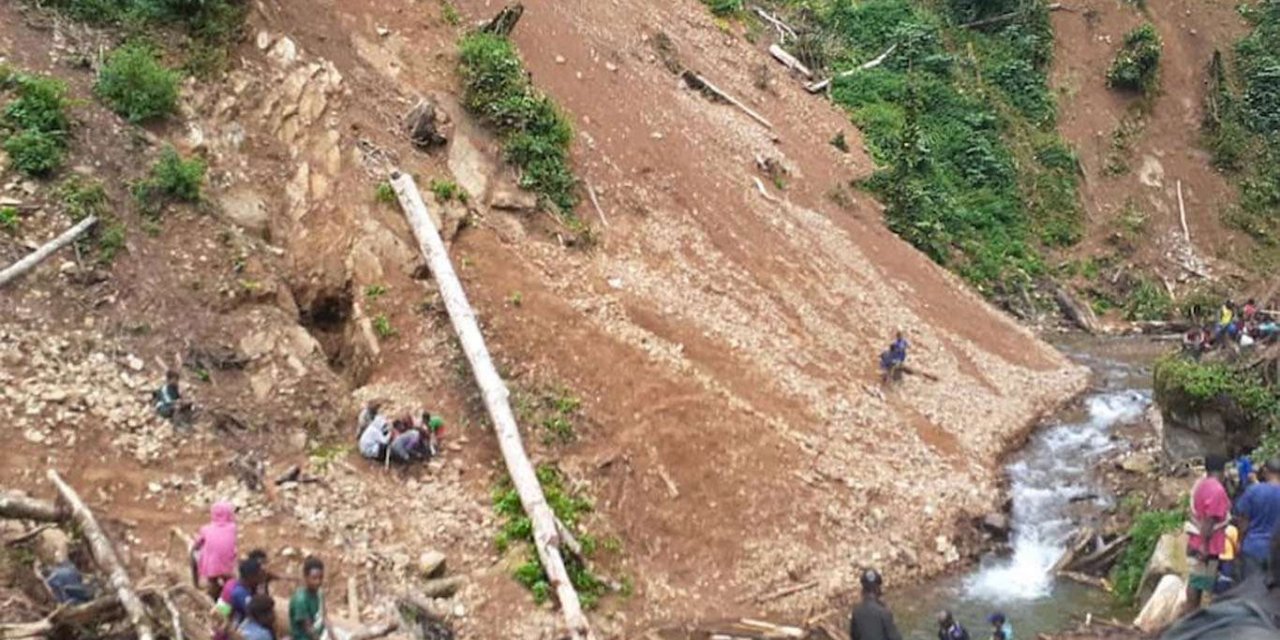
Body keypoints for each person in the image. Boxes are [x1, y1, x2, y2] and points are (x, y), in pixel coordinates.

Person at [1186, 454, 1232, 612]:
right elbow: (1209, 521)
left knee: (1197, 582)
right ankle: (1194, 616)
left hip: (1199, 541)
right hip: (1208, 546)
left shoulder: (1202, 485)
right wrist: (1204, 546)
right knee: (1202, 584)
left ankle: (1192, 614)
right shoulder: (1217, 490)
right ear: (1222, 470)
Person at [1235, 458, 1280, 581]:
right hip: (1276, 551)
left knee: (1250, 590)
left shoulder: (1253, 491)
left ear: (1265, 471)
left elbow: (1243, 521)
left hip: (1253, 547)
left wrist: (1239, 542)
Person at [192, 501, 238, 600]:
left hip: (212, 565)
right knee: (229, 582)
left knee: (212, 580)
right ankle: (227, 596)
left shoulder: (206, 529)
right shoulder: (232, 528)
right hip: (227, 564)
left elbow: (198, 543)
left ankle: (207, 592)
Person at [213, 558, 264, 640]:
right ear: (251, 577)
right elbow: (257, 614)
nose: (261, 577)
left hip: (221, 628)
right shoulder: (241, 594)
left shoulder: (231, 583)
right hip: (229, 633)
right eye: (259, 575)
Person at [849, 568, 902, 640]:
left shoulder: (856, 612)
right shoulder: (884, 612)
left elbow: (854, 637)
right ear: (878, 590)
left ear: (863, 590)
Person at [290, 556, 328, 640]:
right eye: (314, 578)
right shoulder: (300, 600)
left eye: (321, 577)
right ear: (305, 577)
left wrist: (334, 637)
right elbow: (309, 630)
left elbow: (325, 618)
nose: (318, 582)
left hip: (321, 633)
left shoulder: (320, 593)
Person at [1215, 523, 1241, 594]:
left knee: (1214, 577)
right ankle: (1223, 593)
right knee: (1226, 578)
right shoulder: (1233, 529)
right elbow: (1236, 545)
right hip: (1228, 557)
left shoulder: (1215, 527)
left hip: (1216, 556)